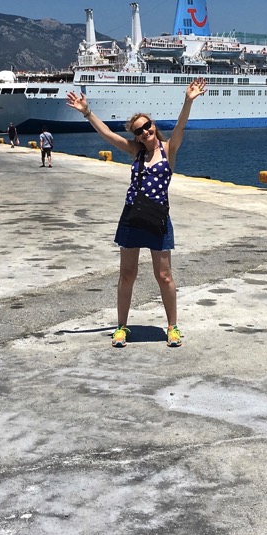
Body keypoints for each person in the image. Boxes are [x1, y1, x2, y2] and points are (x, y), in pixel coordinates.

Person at [65, 77, 207, 348]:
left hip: (158, 219)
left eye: (147, 126)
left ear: (154, 126)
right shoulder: (135, 152)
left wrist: (188, 101)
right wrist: (87, 112)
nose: (145, 132)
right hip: (132, 217)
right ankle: (121, 327)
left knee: (164, 275)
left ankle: (172, 327)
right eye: (139, 130)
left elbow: (179, 127)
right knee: (126, 275)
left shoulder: (168, 151)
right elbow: (108, 135)